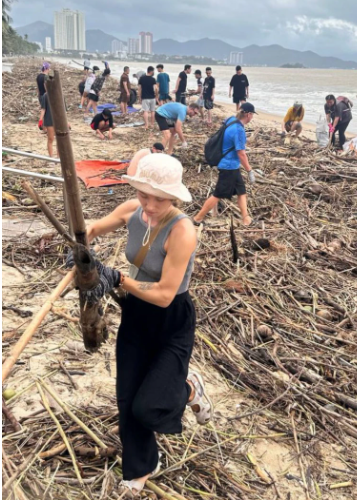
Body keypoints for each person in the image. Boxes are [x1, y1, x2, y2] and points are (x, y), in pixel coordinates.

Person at [69, 153, 209, 496]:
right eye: (144, 195)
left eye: (158, 198)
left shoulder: (182, 230)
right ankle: (141, 467)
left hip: (170, 319)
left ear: (174, 196)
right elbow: (95, 228)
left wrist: (116, 277)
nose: (149, 204)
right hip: (136, 316)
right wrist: (77, 245)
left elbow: (164, 294)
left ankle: (189, 388)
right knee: (127, 398)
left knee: (149, 406)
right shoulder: (134, 209)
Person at [193, 103, 258, 227]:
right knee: (218, 194)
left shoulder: (231, 119)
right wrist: (249, 170)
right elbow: (241, 153)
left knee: (241, 191)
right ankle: (198, 218)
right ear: (248, 115)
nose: (252, 118)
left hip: (231, 165)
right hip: (228, 166)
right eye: (252, 115)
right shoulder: (239, 130)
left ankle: (246, 218)